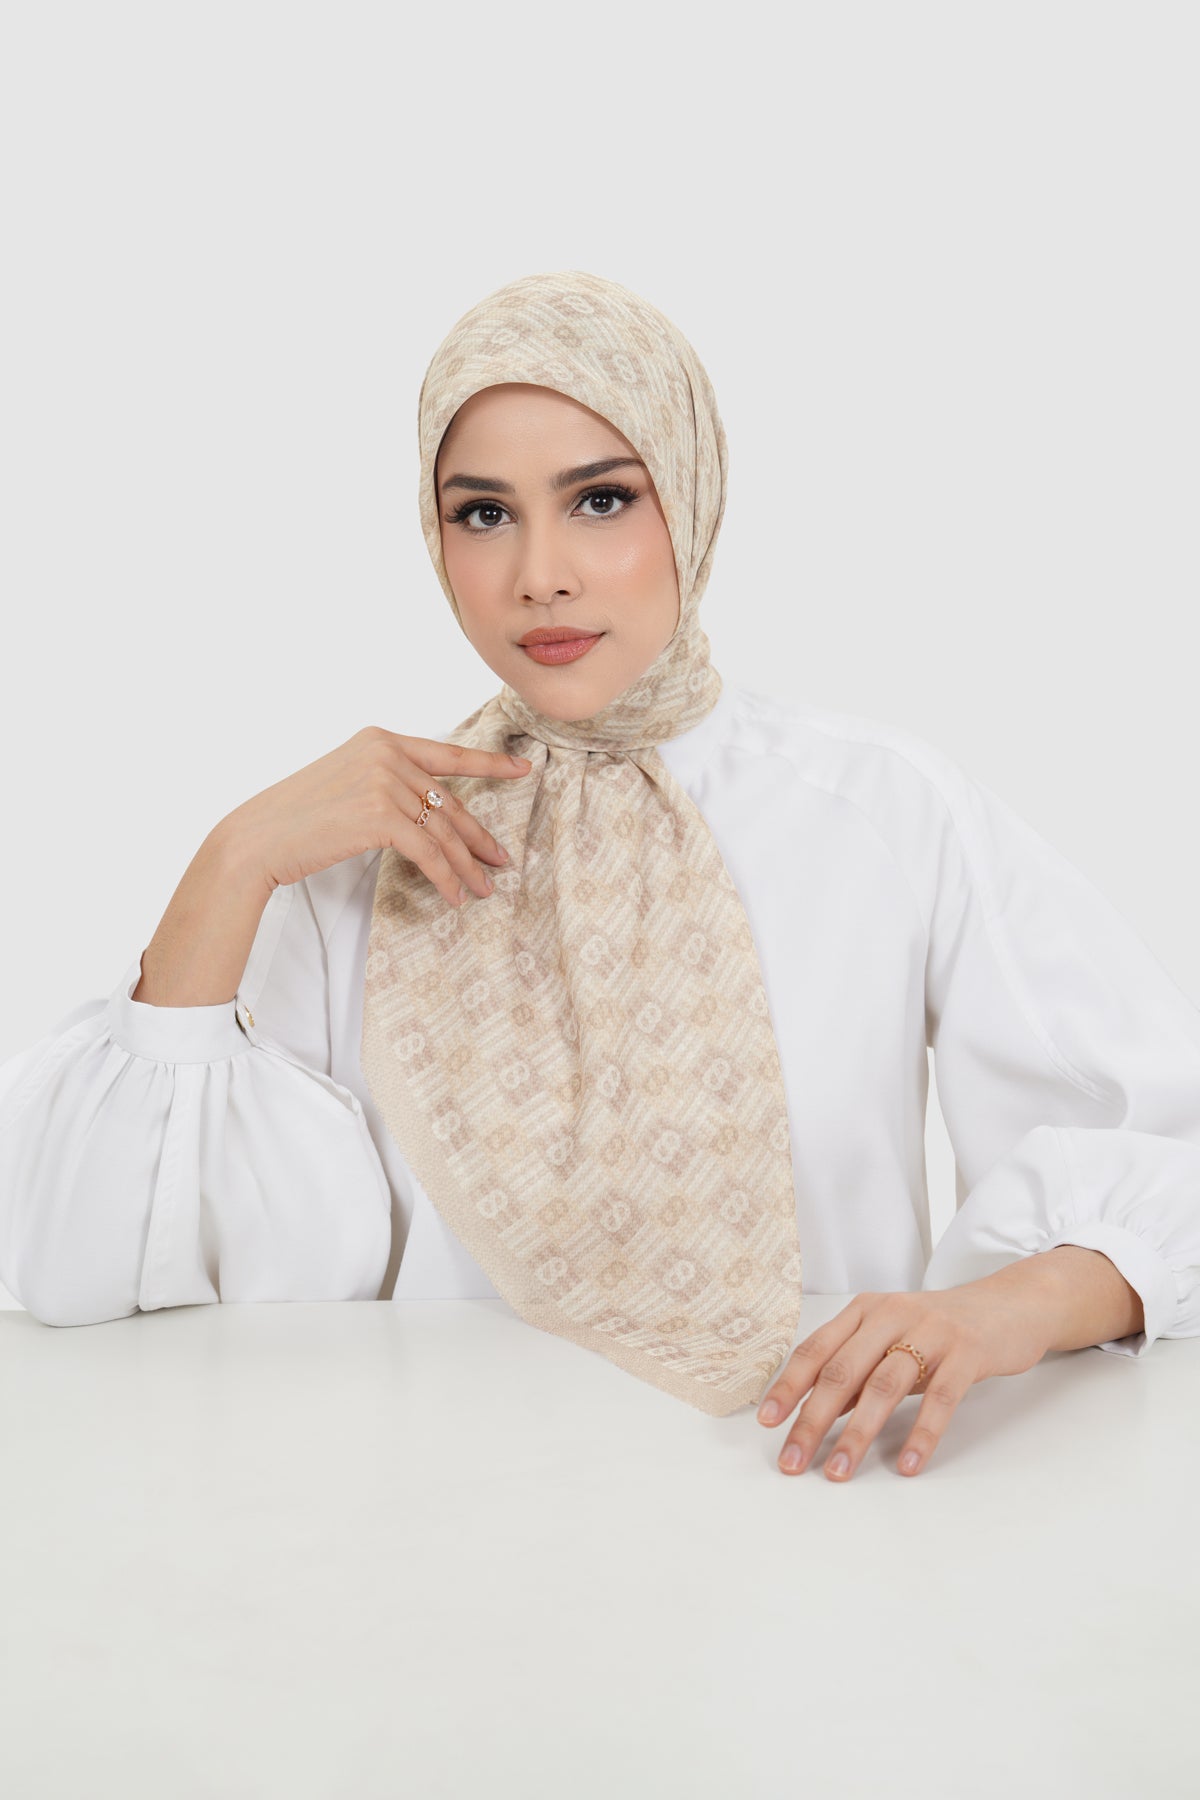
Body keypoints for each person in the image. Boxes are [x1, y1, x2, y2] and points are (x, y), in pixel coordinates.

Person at [2, 270, 1198, 1485]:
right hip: (427, 1518)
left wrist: (1004, 1310)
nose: (541, 574)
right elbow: (89, 1262)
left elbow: (1161, 1139)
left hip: (804, 1500)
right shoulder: (365, 855)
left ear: (692, 494)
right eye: (483, 514)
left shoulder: (882, 813)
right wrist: (233, 861)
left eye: (602, 500)